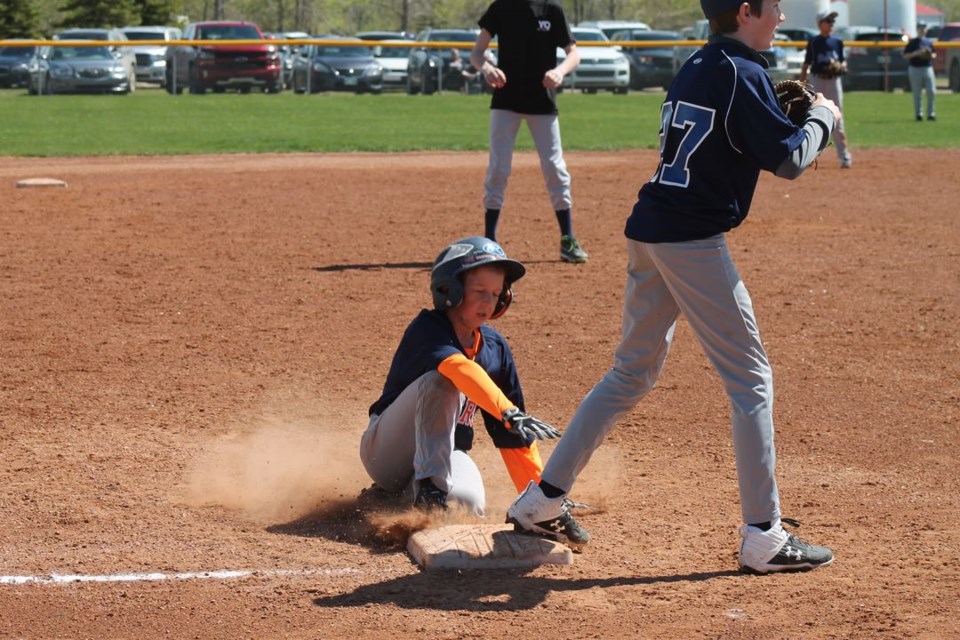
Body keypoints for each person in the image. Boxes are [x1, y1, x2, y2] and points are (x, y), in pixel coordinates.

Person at [506, 0, 841, 574]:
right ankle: (764, 535)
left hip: (651, 230)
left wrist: (787, 122)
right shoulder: (744, 72)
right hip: (691, 240)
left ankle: (543, 499)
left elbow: (733, 141)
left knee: (631, 372)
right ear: (744, 11)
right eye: (774, 8)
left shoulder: (698, 62)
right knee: (751, 380)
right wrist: (822, 120)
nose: (782, 18)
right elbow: (789, 163)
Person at [360, 237, 586, 526]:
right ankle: (429, 496)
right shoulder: (428, 329)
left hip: (445, 457)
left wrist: (542, 497)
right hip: (387, 454)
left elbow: (513, 435)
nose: (488, 302)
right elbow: (458, 368)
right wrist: (506, 410)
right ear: (450, 290)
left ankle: (402, 499)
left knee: (467, 506)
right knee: (441, 381)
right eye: (479, 291)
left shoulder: (495, 348)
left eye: (495, 293)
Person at [470, 0, 589, 264]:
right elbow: (477, 52)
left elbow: (574, 53)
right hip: (505, 101)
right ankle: (490, 241)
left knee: (555, 169)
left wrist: (560, 71)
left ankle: (567, 240)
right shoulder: (501, 7)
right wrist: (487, 68)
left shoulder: (551, 9)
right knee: (498, 168)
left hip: (542, 103)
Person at [799, 10, 852, 168]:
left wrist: (841, 66)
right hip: (817, 80)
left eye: (832, 21)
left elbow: (843, 62)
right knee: (812, 116)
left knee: (838, 119)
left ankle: (844, 157)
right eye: (828, 21)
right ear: (820, 23)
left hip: (834, 81)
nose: (831, 24)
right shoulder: (814, 42)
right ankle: (807, 156)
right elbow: (807, 64)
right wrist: (802, 84)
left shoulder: (837, 41)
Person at [904, 23, 937, 121]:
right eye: (920, 28)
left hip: (927, 68)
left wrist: (930, 55)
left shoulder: (928, 42)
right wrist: (917, 53)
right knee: (917, 93)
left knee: (931, 92)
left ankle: (931, 114)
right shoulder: (912, 42)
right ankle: (919, 114)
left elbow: (934, 54)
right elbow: (905, 56)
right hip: (915, 68)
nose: (922, 30)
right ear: (917, 29)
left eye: (924, 28)